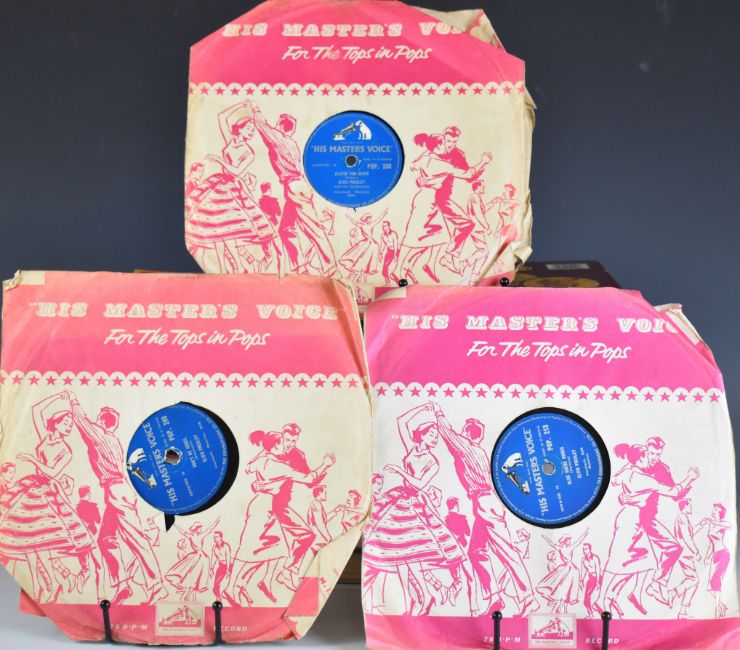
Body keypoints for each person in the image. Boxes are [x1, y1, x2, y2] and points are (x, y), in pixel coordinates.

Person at [433, 405, 538, 617]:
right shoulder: (481, 452)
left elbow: (447, 434)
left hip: (484, 502)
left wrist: (438, 413)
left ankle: (528, 598)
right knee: (476, 551)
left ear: (467, 433)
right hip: (486, 502)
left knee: (506, 551)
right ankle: (494, 597)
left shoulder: (467, 447)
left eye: (463, 430)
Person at [363, 404, 465, 616]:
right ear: (421, 434)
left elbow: (419, 485)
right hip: (400, 500)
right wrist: (424, 407)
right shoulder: (411, 448)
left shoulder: (433, 462)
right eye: (431, 434)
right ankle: (416, 600)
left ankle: (424, 599)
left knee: (411, 555)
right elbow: (402, 421)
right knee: (400, 556)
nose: (435, 438)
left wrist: (400, 471)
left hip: (416, 505)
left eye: (436, 435)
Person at [67, 391, 166, 604]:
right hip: (117, 491)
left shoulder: (101, 436)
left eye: (99, 418)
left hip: (116, 491)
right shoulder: (114, 440)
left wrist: (73, 401)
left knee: (136, 539)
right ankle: (122, 585)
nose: (96, 421)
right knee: (106, 539)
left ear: (103, 421)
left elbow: (82, 423)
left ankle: (157, 586)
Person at [0, 394, 97, 603]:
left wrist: (33, 460)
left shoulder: (66, 450)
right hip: (33, 488)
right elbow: (36, 410)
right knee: (29, 545)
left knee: (40, 544)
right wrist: (60, 396)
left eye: (71, 423)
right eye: (66, 422)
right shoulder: (44, 435)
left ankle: (53, 585)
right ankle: (43, 588)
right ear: (56, 422)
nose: (69, 426)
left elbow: (52, 473)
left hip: (48, 493)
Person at [227, 429, 335, 605]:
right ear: (278, 443)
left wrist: (261, 482)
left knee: (276, 548)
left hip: (273, 506)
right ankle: (234, 586)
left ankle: (258, 581)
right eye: (284, 441)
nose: (287, 445)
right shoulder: (276, 464)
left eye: (292, 441)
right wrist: (325, 465)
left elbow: (248, 468)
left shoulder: (278, 457)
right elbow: (308, 479)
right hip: (266, 506)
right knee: (252, 549)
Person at [601, 443, 698, 617]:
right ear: (640, 458)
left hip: (639, 518)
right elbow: (673, 491)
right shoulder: (641, 476)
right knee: (622, 562)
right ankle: (606, 598)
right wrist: (689, 478)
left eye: (656, 454)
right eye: (649, 455)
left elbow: (615, 481)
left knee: (645, 561)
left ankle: (629, 593)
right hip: (635, 519)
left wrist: (626, 495)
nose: (652, 459)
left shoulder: (637, 470)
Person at [186, 102, 281, 274]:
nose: (252, 131)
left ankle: (238, 267)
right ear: (240, 128)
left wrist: (219, 160)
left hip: (232, 190)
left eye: (253, 129)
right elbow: (222, 117)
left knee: (228, 230)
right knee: (217, 231)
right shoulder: (229, 140)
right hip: (217, 185)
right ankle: (226, 268)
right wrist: (243, 104)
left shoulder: (249, 152)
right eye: (249, 128)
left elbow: (236, 172)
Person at [247, 100, 337, 275]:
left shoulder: (279, 139)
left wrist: (254, 108)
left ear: (281, 126)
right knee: (286, 229)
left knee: (313, 229)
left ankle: (331, 268)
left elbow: (262, 126)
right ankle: (299, 267)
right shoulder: (292, 143)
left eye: (277, 124)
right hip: (297, 186)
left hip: (294, 187)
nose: (275, 126)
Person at [166, 520, 220, 601]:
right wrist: (216, 521)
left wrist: (174, 524)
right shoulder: (200, 536)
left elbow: (182, 531)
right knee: (193, 578)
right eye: (200, 528)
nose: (201, 530)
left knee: (193, 578)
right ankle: (186, 596)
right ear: (197, 529)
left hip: (196, 557)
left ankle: (188, 597)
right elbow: (210, 529)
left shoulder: (190, 536)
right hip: (201, 558)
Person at [537, 531, 589, 614]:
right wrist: (586, 532)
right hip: (570, 570)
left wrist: (545, 537)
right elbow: (579, 541)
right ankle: (555, 611)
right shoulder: (569, 548)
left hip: (565, 569)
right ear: (566, 541)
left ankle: (560, 610)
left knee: (564, 592)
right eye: (569, 540)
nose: (570, 541)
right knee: (564, 592)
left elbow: (552, 544)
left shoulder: (560, 548)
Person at [696, 503, 731, 618]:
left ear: (720, 513)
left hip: (723, 554)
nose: (713, 511)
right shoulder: (711, 525)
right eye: (714, 509)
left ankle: (716, 610)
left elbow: (729, 525)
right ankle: (721, 606)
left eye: (716, 510)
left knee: (716, 582)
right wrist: (707, 556)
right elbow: (711, 543)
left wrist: (714, 522)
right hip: (714, 555)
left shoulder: (721, 523)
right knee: (710, 585)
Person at [670, 499, 700, 618]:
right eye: (690, 505)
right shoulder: (681, 517)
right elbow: (686, 537)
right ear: (685, 506)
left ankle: (682, 611)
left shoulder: (683, 517)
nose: (691, 507)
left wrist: (701, 524)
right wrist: (696, 551)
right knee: (694, 579)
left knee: (693, 580)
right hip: (684, 553)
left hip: (684, 553)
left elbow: (689, 533)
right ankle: (674, 593)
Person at [339, 210, 387, 283]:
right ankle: (360, 270)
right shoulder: (368, 225)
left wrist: (347, 216)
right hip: (370, 244)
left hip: (369, 243)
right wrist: (385, 212)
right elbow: (378, 219)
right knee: (363, 258)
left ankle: (362, 272)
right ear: (366, 219)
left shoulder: (361, 225)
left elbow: (354, 221)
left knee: (364, 258)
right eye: (370, 218)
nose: (371, 220)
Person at [579, 542, 602, 616]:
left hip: (598, 578)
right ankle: (591, 613)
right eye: (583, 549)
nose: (584, 550)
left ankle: (593, 613)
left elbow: (598, 570)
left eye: (586, 549)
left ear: (590, 549)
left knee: (589, 597)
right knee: (586, 599)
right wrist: (581, 580)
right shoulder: (583, 559)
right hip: (591, 578)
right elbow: (583, 570)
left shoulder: (595, 558)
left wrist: (598, 582)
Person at [209, 531, 232, 601]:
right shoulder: (214, 547)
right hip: (221, 566)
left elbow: (228, 558)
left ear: (220, 537)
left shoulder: (226, 546)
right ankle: (218, 596)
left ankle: (219, 596)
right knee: (216, 583)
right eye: (214, 537)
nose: (215, 538)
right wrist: (211, 568)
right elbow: (214, 558)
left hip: (228, 566)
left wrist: (228, 569)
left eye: (217, 537)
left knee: (218, 583)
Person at [378, 220, 400, 284]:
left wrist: (395, 255)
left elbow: (395, 244)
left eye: (385, 226)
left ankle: (395, 282)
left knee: (388, 269)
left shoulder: (393, 234)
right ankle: (389, 282)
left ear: (388, 226)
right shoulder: (382, 235)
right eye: (383, 226)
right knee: (384, 269)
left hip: (395, 251)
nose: (383, 227)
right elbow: (382, 245)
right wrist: (380, 253)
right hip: (389, 251)